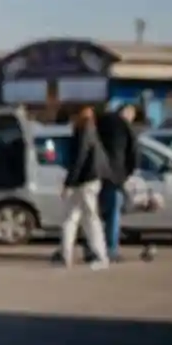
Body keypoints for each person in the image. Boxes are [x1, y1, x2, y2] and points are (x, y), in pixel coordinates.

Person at [59, 106, 110, 269]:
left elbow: (78, 159)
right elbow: (87, 158)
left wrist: (69, 183)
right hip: (89, 180)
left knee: (73, 218)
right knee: (89, 219)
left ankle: (66, 255)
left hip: (83, 181)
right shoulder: (90, 130)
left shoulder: (83, 131)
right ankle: (100, 256)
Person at [94, 103, 138, 262]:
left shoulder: (99, 122)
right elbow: (134, 152)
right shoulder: (125, 126)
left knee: (94, 214)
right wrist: (127, 173)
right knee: (113, 214)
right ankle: (111, 249)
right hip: (115, 176)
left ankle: (93, 248)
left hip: (96, 174)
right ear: (128, 113)